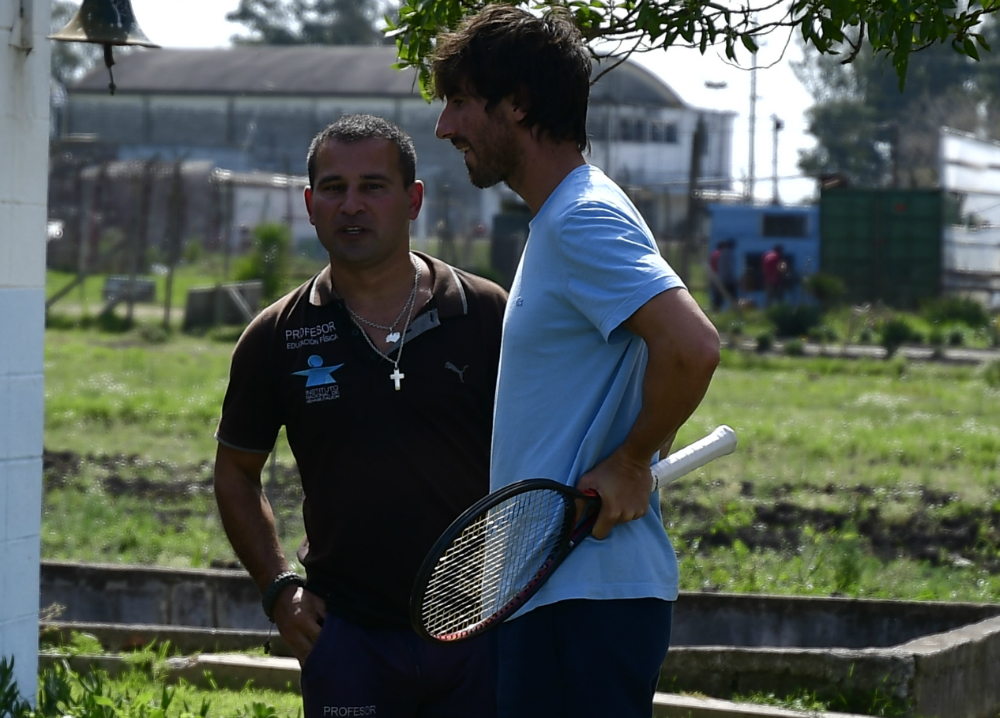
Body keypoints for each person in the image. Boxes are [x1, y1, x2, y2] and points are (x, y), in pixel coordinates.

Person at [433, 7, 721, 718]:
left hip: (582, 598)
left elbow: (692, 347)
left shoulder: (582, 219)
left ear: (518, 103)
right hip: (554, 591)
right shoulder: (564, 218)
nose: (445, 127)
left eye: (461, 102)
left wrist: (632, 460)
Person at [213, 114, 506, 718]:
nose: (352, 205)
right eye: (333, 188)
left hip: (479, 631)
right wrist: (278, 589)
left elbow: (542, 451)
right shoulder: (277, 336)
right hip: (347, 638)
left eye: (373, 186)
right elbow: (236, 473)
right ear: (309, 205)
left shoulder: (485, 314)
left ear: (413, 200)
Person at [718, 239, 739, 309]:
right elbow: (730, 267)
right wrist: (734, 278)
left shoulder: (722, 253)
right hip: (729, 279)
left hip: (722, 278)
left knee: (721, 295)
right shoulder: (730, 253)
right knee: (733, 296)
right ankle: (734, 309)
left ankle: (718, 309)